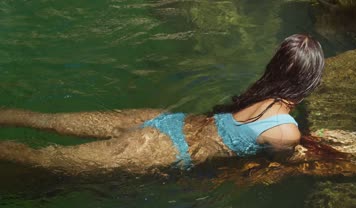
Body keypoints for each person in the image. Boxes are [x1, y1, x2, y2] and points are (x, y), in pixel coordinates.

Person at [0, 34, 325, 176]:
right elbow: (275, 165)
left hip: (165, 120)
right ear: (307, 83)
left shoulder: (258, 91)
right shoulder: (284, 130)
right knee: (43, 158)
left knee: (47, 120)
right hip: (164, 149)